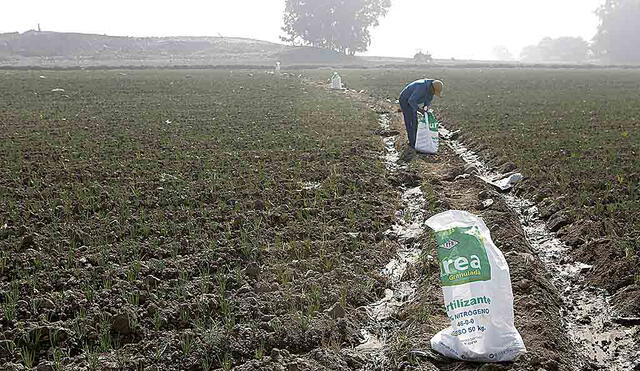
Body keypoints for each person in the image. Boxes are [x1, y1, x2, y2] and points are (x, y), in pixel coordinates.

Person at [398, 79, 444, 161]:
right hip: (405, 99)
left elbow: (428, 101)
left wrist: (425, 108)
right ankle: (412, 143)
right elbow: (411, 100)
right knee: (410, 120)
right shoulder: (421, 86)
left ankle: (415, 140)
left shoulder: (431, 90)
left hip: (413, 100)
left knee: (415, 120)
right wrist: (419, 110)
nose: (433, 94)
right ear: (432, 88)